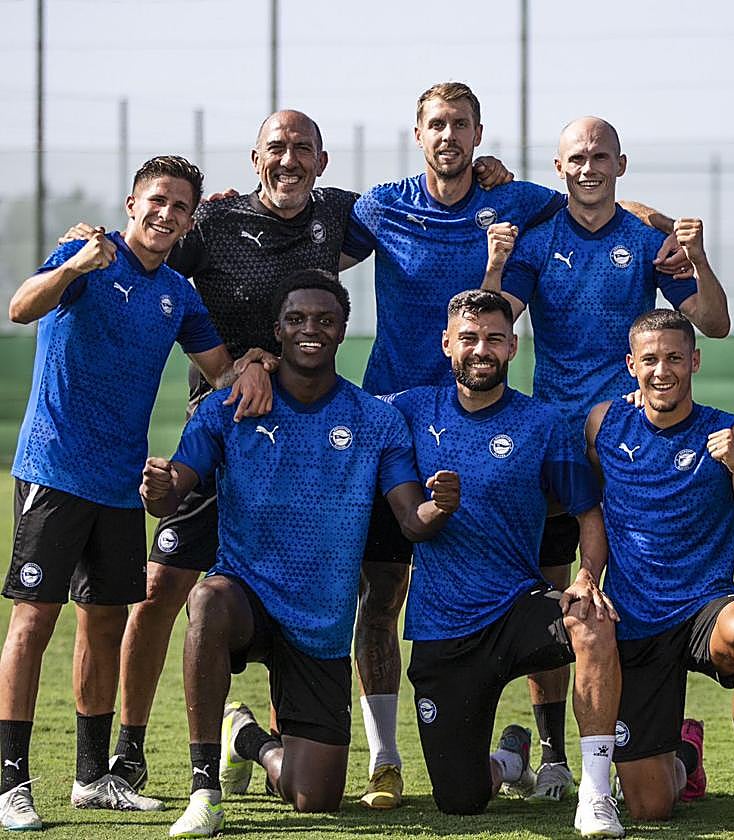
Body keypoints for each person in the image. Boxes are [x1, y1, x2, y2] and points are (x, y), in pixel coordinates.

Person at [60, 107, 511, 808]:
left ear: (322, 163)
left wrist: (483, 173)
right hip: (224, 431)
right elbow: (145, 264)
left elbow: (420, 208)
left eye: (304, 147)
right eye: (278, 147)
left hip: (309, 436)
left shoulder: (338, 214)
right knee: (162, 592)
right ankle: (129, 751)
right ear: (256, 157)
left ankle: (283, 746)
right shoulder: (209, 223)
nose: (290, 158)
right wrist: (86, 245)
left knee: (315, 583)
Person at [340, 82, 687, 805]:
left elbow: (597, 201)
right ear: (418, 132)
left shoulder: (522, 199)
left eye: (461, 125)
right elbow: (312, 231)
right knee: (382, 596)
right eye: (437, 124)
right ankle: (383, 756)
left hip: (488, 419)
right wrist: (224, 209)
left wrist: (666, 229)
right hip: (399, 422)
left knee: (541, 579)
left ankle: (558, 751)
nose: (449, 136)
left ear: (478, 133)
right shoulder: (380, 206)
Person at [0, 156, 270, 829]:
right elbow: (20, 306)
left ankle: (93, 778)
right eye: (157, 201)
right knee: (34, 622)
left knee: (103, 622)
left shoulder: (178, 293)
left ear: (189, 219)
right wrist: (72, 267)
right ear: (131, 202)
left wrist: (260, 361)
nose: (166, 215)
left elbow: (221, 369)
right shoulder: (86, 254)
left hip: (122, 485)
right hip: (54, 472)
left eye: (180, 207)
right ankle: (11, 782)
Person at [482, 116, 730, 799]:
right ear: (558, 168)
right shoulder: (537, 240)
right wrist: (498, 261)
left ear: (621, 163)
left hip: (632, 442)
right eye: (576, 157)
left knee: (640, 589)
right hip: (556, 447)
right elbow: (495, 322)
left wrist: (696, 256)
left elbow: (714, 322)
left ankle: (652, 738)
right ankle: (558, 753)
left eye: (601, 156)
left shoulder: (647, 238)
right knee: (557, 589)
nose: (589, 167)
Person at [141, 270, 417, 838]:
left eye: (324, 320)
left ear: (343, 330)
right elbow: (180, 481)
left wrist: (438, 507)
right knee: (208, 598)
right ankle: (204, 790)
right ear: (278, 331)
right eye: (297, 320)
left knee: (314, 799)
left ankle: (246, 737)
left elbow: (410, 515)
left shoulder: (377, 420)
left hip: (320, 626)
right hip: (248, 598)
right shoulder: (228, 408)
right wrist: (162, 487)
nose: (310, 330)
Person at [381, 289, 624, 837]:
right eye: (468, 338)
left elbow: (588, 511)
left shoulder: (545, 422)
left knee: (591, 622)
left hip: (518, 608)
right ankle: (510, 759)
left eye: (494, 337)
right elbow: (338, 402)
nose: (481, 349)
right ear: (448, 345)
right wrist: (258, 365)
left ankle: (595, 791)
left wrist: (587, 577)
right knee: (460, 801)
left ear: (513, 346)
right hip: (443, 629)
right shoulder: (410, 410)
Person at [582, 309, 734, 838]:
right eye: (649, 359)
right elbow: (596, 511)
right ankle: (684, 754)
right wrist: (588, 575)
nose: (662, 370)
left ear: (694, 360)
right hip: (636, 619)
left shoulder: (732, 431)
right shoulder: (603, 424)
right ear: (631, 365)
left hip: (704, 608)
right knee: (651, 806)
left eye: (674, 357)